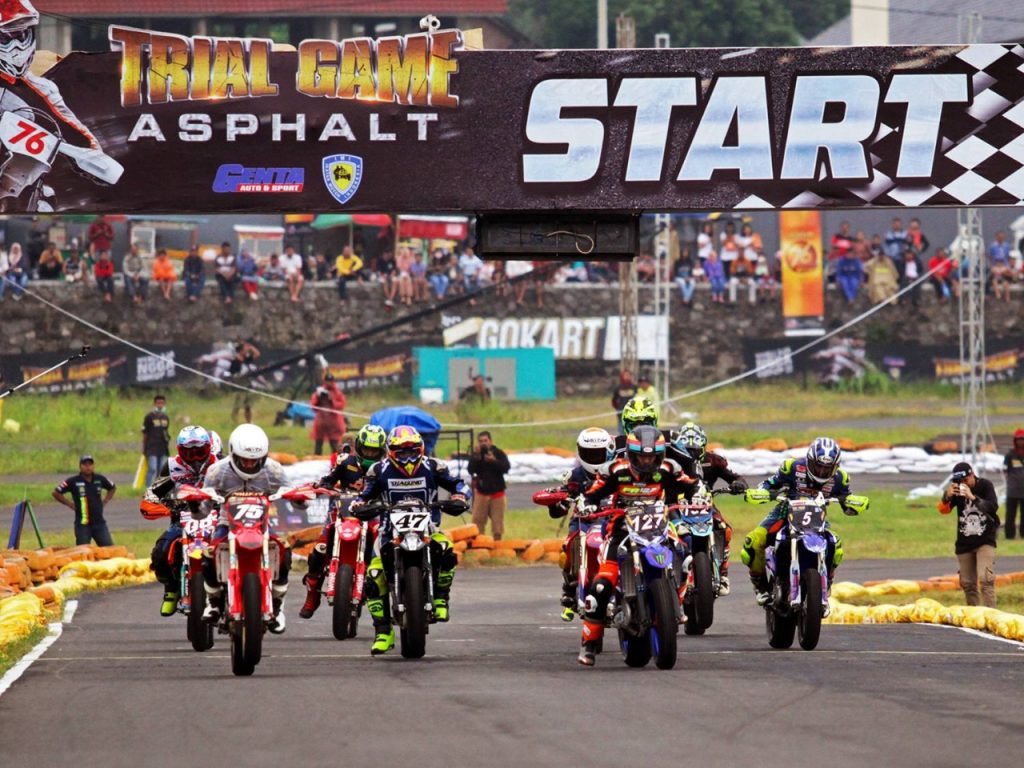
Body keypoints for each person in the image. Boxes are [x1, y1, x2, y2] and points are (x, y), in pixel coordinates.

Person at [577, 426, 697, 666]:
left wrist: (698, 495)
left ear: (660, 456)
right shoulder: (616, 471)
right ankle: (589, 642)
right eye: (641, 456)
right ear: (631, 455)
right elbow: (590, 493)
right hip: (621, 530)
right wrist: (587, 504)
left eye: (651, 457)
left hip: (659, 528)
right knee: (601, 585)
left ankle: (677, 602)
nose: (646, 461)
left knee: (685, 555)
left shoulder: (669, 469)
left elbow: (692, 484)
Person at [354, 426, 469, 655]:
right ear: (391, 451)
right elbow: (364, 495)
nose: (407, 457)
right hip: (389, 534)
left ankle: (441, 598)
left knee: (447, 551)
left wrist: (460, 496)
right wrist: (360, 504)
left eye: (412, 451)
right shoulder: (378, 470)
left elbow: (458, 484)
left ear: (421, 449)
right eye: (402, 452)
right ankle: (383, 632)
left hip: (429, 529)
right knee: (373, 576)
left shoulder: (434, 466)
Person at [741, 437, 867, 605]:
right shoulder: (792, 467)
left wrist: (852, 504)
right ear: (809, 461)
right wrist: (763, 492)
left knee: (835, 545)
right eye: (818, 466)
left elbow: (847, 501)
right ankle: (760, 585)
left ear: (835, 467)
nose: (821, 472)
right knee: (754, 541)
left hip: (817, 518)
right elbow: (769, 483)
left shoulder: (840, 478)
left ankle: (826, 582)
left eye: (827, 468)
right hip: (784, 512)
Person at [201, 424, 292, 632]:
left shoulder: (274, 469)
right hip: (227, 523)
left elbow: (293, 492)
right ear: (233, 453)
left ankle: (277, 606)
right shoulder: (216, 471)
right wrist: (198, 503)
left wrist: (298, 498)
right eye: (245, 460)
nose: (250, 464)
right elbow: (203, 507)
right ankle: (213, 602)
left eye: (255, 460)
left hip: (262, 525)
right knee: (207, 554)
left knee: (284, 551)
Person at [299, 424, 387, 619]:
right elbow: (329, 479)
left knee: (384, 549)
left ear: (381, 451)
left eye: (374, 451)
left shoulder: (385, 468)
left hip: (372, 513)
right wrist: (322, 486)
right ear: (359, 447)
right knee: (319, 550)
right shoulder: (345, 462)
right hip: (341, 511)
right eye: (367, 450)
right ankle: (312, 595)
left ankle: (388, 594)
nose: (370, 454)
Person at [541, 427, 614, 621]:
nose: (595, 458)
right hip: (583, 519)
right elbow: (560, 504)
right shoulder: (574, 476)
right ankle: (569, 588)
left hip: (611, 518)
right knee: (568, 546)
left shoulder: (616, 470)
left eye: (599, 453)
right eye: (590, 453)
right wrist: (558, 504)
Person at [141, 426, 215, 616]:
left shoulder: (220, 464)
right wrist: (156, 505)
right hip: (181, 519)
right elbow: (153, 492)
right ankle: (171, 589)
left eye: (199, 451)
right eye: (189, 452)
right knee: (161, 552)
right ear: (180, 450)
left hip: (215, 518)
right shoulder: (171, 466)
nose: (195, 457)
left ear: (208, 448)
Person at [673, 422, 747, 595]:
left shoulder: (713, 461)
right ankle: (672, 571)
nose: (691, 454)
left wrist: (738, 484)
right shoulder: (673, 463)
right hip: (679, 505)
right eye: (687, 450)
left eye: (695, 450)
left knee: (725, 530)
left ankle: (723, 573)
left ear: (703, 447)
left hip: (706, 505)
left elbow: (735, 477)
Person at [939, 462, 999, 607]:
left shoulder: (985, 485)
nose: (963, 484)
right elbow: (943, 510)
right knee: (968, 583)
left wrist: (973, 497)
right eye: (959, 481)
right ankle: (973, 614)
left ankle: (992, 613)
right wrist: (947, 496)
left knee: (986, 579)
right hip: (964, 542)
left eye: (965, 480)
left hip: (985, 540)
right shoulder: (957, 490)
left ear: (972, 475)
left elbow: (992, 507)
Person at [52, 456, 116, 546]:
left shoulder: (99, 479)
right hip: (83, 525)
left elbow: (112, 487)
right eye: (85, 464)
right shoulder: (73, 481)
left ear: (93, 466)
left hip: (99, 523)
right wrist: (70, 504)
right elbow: (56, 493)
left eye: (90, 464)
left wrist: (105, 501)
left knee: (109, 549)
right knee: (83, 551)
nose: (88, 467)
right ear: (80, 466)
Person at [468, 431, 511, 541]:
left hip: (497, 493)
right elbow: (470, 470)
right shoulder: (477, 455)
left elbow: (506, 468)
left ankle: (497, 543)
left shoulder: (498, 453)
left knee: (497, 523)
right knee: (477, 521)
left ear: (490, 441)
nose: (483, 443)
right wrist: (476, 457)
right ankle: (479, 543)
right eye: (481, 441)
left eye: (485, 440)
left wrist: (494, 460)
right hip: (482, 493)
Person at [310, 372, 347, 455]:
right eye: (327, 381)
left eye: (330, 381)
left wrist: (332, 400)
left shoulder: (337, 393)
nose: (329, 383)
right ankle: (317, 459)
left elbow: (342, 405)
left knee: (334, 445)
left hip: (334, 423)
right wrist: (318, 398)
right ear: (324, 381)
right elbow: (313, 406)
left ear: (333, 381)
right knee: (318, 444)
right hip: (321, 421)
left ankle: (336, 459)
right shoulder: (319, 392)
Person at [142, 394, 170, 486]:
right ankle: (148, 487)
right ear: (154, 404)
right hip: (151, 447)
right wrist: (144, 448)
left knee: (161, 470)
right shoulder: (149, 417)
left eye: (162, 403)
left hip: (162, 447)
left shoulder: (165, 417)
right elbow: (145, 433)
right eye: (158, 403)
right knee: (152, 468)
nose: (160, 405)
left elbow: (166, 432)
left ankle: (157, 487)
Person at [1002, 430, 1024, 540]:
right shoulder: (1010, 455)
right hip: (1013, 490)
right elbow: (1004, 469)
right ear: (1015, 440)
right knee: (1010, 514)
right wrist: (1010, 480)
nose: (1020, 442)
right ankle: (1009, 535)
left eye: (1022, 439)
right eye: (1018, 439)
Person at [989, 231, 1012, 302]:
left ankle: (1007, 297)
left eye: (1002, 237)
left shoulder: (1006, 246)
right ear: (996, 237)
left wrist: (1006, 265)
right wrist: (993, 264)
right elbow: (991, 256)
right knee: (994, 280)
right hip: (996, 265)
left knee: (1005, 282)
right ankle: (997, 294)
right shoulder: (992, 246)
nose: (1001, 238)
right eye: (999, 237)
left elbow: (1007, 256)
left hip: (1004, 265)